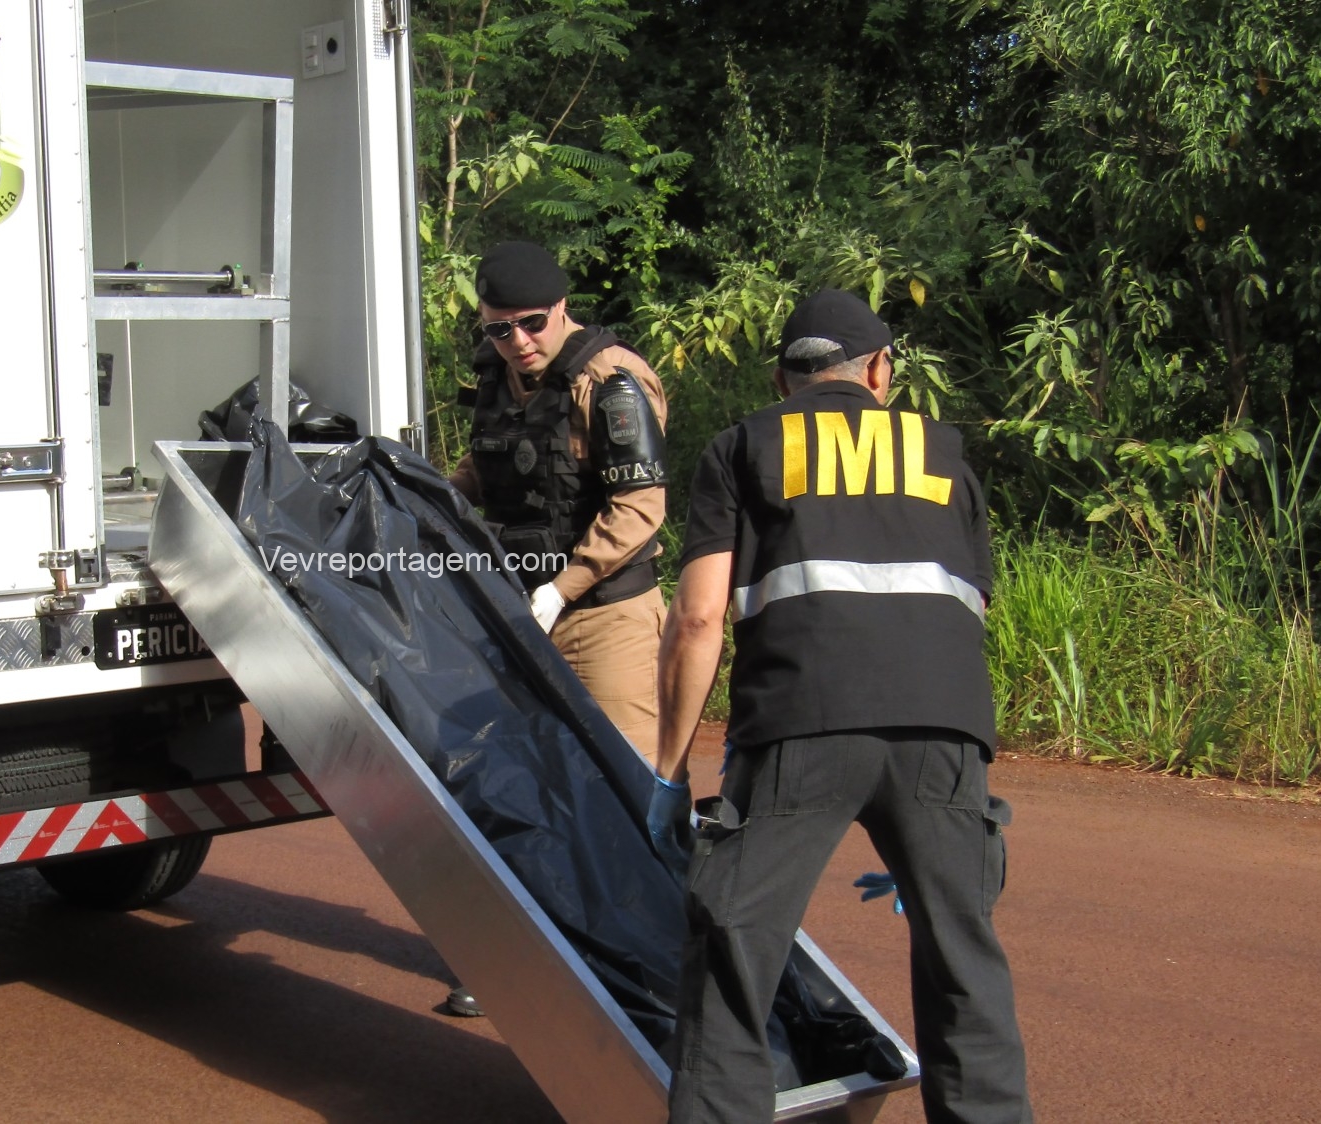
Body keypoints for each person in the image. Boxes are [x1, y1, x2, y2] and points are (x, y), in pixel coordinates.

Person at [651, 289, 1032, 1122]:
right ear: (881, 371)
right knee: (963, 964)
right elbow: (968, 608)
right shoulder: (944, 453)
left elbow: (698, 618)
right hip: (942, 732)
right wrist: (930, 824)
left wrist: (669, 773)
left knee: (734, 954)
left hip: (800, 723)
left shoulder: (744, 445)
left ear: (783, 380)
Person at [441, 240, 670, 1019]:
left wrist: (564, 588)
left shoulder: (611, 380)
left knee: (625, 792)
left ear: (562, 309)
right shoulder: (494, 377)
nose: (518, 341)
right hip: (517, 614)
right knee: (518, 787)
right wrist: (435, 499)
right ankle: (521, 957)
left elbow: (639, 508)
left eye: (532, 323)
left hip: (604, 618)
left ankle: (646, 967)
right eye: (499, 328)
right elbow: (481, 471)